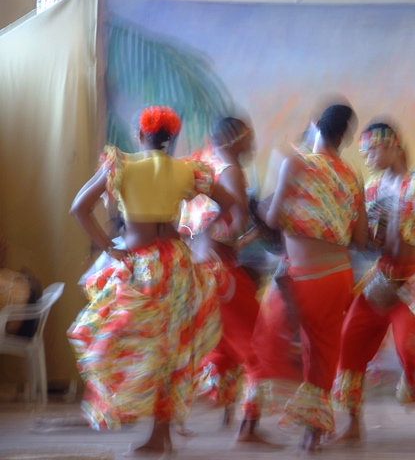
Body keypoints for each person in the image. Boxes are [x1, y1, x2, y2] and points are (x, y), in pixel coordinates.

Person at [68, 106, 232, 455]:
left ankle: (157, 434)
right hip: (178, 264)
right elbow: (230, 203)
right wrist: (202, 235)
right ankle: (162, 434)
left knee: (114, 342)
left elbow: (79, 207)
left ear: (141, 136)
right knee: (170, 352)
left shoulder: (123, 164)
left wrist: (108, 248)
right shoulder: (187, 170)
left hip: (142, 266)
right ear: (170, 141)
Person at [258, 103, 368, 451]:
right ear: (345, 138)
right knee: (320, 353)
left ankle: (283, 417)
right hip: (337, 275)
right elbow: (362, 240)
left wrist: (263, 205)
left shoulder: (297, 163)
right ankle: (313, 431)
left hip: (303, 276)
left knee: (270, 342)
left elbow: (274, 220)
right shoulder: (353, 176)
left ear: (315, 125)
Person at [332, 122, 415, 444]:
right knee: (350, 340)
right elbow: (370, 244)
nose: (367, 157)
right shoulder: (372, 190)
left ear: (393, 145)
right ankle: (353, 423)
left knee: (413, 349)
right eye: (363, 152)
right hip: (383, 276)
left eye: (372, 150)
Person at [178, 117, 268, 443]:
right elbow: (236, 222)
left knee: (221, 348)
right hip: (221, 270)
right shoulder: (231, 170)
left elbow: (191, 225)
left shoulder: (203, 168)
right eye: (248, 139)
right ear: (232, 141)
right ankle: (249, 428)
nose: (252, 146)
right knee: (258, 346)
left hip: (200, 270)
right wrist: (256, 225)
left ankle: (176, 417)